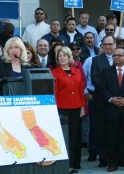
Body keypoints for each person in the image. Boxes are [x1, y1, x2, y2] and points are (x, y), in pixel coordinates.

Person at [99, 47, 124, 172]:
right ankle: (113, 163)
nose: (116, 57)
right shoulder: (106, 72)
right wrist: (111, 99)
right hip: (112, 110)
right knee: (112, 139)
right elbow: (102, 88)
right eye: (114, 55)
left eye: (119, 55)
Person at [51, 46, 85, 174]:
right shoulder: (54, 72)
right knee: (66, 137)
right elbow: (53, 93)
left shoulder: (77, 71)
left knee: (75, 137)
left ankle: (76, 162)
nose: (62, 58)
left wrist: (82, 106)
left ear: (69, 57)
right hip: (62, 108)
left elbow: (80, 90)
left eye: (64, 55)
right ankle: (67, 164)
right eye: (59, 56)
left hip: (76, 108)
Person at [91, 35, 116, 167]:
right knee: (102, 131)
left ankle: (118, 158)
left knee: (117, 131)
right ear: (102, 46)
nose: (108, 47)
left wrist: (117, 96)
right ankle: (104, 159)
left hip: (118, 102)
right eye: (105, 44)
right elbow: (96, 80)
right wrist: (109, 95)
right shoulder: (96, 60)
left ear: (115, 45)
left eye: (110, 44)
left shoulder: (121, 58)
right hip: (102, 101)